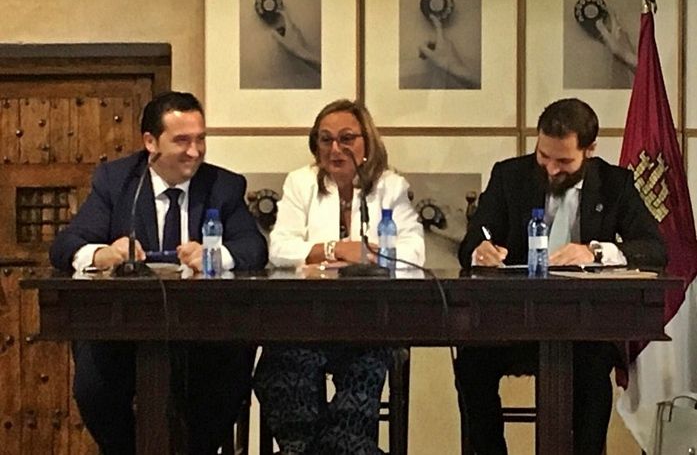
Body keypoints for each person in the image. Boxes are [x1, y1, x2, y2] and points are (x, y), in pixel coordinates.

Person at [49, 91, 268, 455]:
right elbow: (65, 245)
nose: (195, 151)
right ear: (150, 142)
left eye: (200, 139)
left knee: (228, 373)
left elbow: (254, 248)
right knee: (94, 384)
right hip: (123, 328)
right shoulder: (117, 181)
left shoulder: (223, 185)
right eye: (182, 140)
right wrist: (103, 254)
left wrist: (215, 255)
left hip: (204, 329)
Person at [456, 97, 666, 455]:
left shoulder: (615, 184)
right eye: (544, 156)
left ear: (590, 150)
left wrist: (595, 252)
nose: (551, 169)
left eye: (564, 161)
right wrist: (480, 251)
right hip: (515, 321)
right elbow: (472, 242)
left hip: (584, 327)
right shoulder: (509, 175)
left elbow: (654, 248)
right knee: (471, 365)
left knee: (594, 374)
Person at [253, 99, 425, 455]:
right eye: (325, 139)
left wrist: (366, 256)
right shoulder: (300, 182)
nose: (335, 149)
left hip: (370, 324)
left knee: (364, 374)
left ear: (367, 142)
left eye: (347, 139)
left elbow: (414, 253)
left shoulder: (390, 186)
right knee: (283, 370)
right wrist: (336, 249)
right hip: (305, 320)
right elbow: (279, 248)